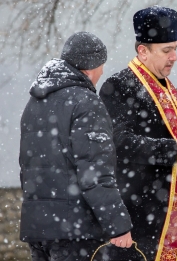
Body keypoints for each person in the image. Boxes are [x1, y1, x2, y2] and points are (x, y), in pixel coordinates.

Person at [99, 6, 177, 260]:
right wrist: (173, 149)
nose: (174, 57)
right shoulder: (119, 86)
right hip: (142, 214)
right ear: (143, 51)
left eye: (176, 48)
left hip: (173, 215)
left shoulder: (168, 87)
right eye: (167, 50)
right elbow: (119, 142)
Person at [19, 32, 133, 260]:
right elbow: (95, 173)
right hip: (74, 230)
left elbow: (28, 166)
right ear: (91, 66)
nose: (102, 72)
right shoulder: (86, 103)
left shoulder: (36, 101)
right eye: (102, 65)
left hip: (38, 225)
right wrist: (118, 225)